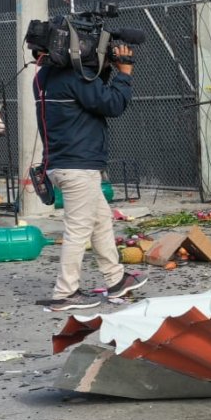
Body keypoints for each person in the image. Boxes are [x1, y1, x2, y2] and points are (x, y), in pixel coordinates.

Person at [35, 44, 146, 311]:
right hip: (78, 166)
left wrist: (104, 69)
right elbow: (113, 103)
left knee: (101, 220)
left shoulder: (43, 76)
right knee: (78, 230)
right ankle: (65, 293)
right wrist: (124, 72)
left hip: (62, 163)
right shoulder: (76, 77)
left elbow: (92, 97)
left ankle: (116, 279)